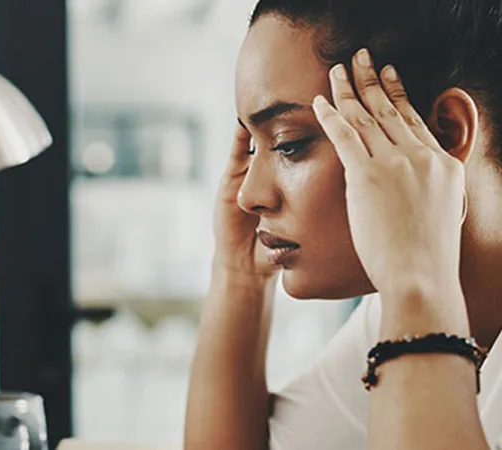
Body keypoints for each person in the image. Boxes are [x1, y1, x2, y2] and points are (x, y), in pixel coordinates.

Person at [185, 1, 502, 449]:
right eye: (253, 147)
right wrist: (238, 277)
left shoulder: (415, 303)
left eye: (288, 144)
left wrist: (415, 284)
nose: (248, 195)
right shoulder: (390, 317)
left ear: (444, 134)